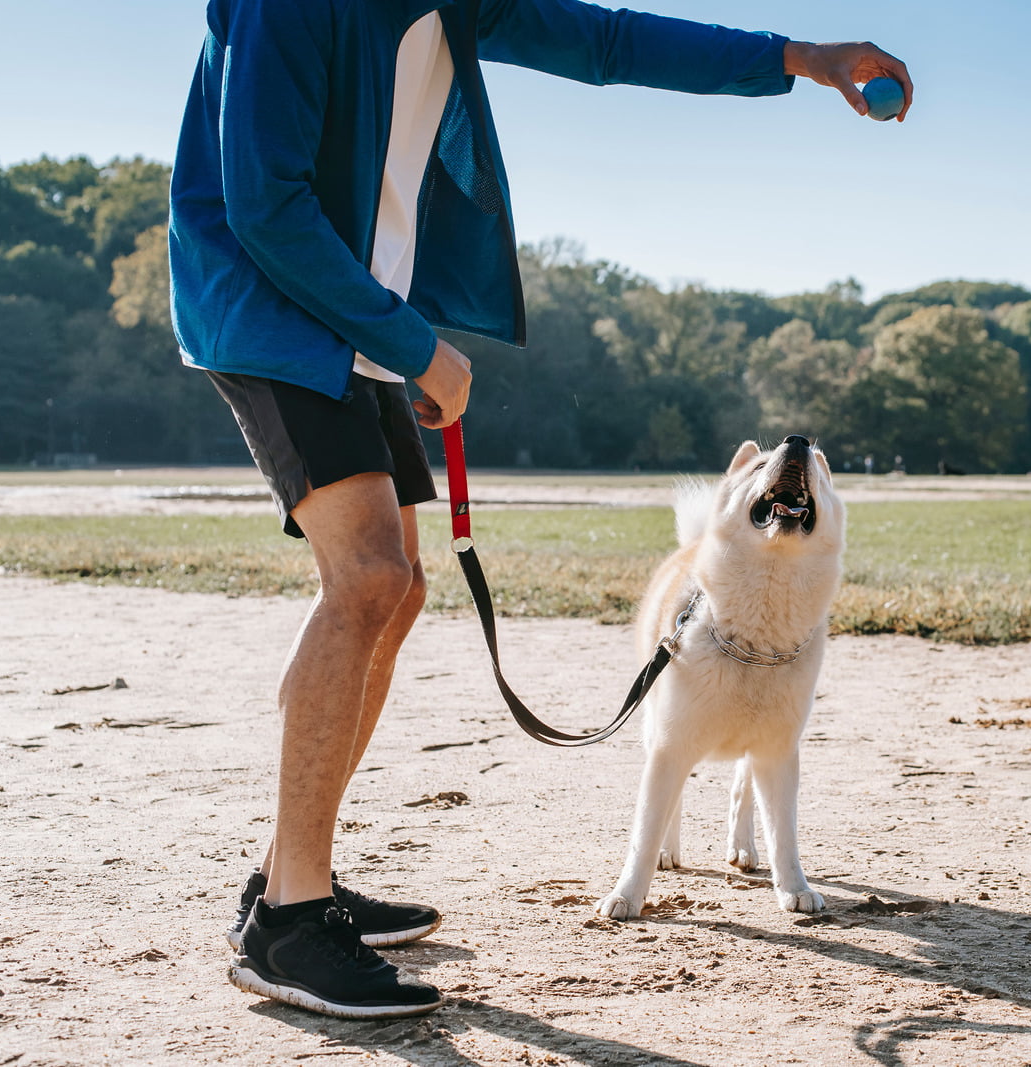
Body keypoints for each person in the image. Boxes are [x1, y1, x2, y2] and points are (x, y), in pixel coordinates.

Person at [168, 0, 911, 1021]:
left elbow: (605, 42)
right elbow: (262, 204)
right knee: (368, 576)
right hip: (266, 304)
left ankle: (291, 874)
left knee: (401, 588)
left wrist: (799, 58)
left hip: (350, 314)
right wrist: (412, 338)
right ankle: (289, 924)